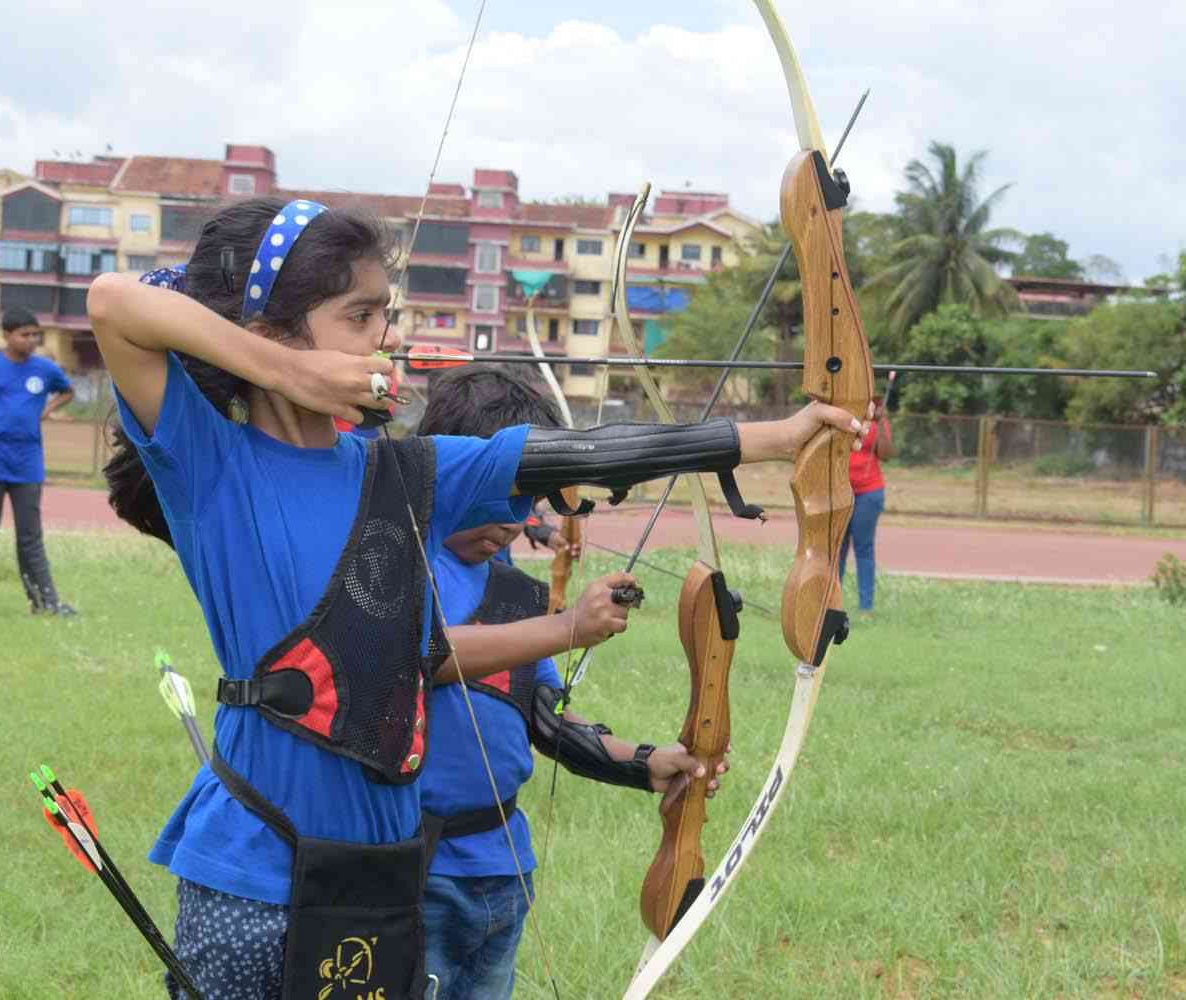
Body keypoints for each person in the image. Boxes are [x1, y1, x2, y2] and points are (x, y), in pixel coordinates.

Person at [88, 195, 865, 999]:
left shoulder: (410, 471)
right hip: (253, 876)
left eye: (386, 316)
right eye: (359, 316)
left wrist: (774, 439)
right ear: (277, 329)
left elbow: (580, 452)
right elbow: (114, 305)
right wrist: (285, 371)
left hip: (387, 881)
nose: (384, 339)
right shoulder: (212, 463)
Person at [412, 364, 725, 1000]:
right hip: (413, 874)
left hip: (502, 870)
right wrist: (569, 627)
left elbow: (547, 718)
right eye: (502, 493)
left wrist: (647, 763)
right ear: (449, 470)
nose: (515, 517)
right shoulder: (403, 565)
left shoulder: (513, 593)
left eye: (529, 496)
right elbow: (428, 655)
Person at [0, 307, 77, 615]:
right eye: (24, 334)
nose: (31, 340)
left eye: (35, 334)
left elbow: (67, 391)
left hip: (27, 465)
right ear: (7, 335)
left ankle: (46, 603)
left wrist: (46, 410)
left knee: (30, 538)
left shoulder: (44, 369)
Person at [838, 388, 894, 618]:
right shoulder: (841, 417)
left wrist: (881, 425)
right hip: (839, 492)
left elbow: (887, 454)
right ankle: (833, 605)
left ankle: (865, 608)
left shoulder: (877, 421)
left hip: (869, 494)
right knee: (837, 550)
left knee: (863, 548)